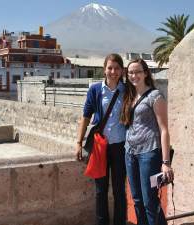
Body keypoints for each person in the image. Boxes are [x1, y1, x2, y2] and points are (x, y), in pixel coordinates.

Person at [75, 53, 127, 225]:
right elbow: (86, 117)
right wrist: (78, 143)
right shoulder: (95, 90)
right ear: (104, 69)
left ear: (122, 70)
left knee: (120, 190)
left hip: (120, 147)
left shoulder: (127, 90)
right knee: (100, 190)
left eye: (117, 68)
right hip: (100, 146)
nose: (113, 71)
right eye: (110, 68)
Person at [121, 58, 174, 225]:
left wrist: (165, 162)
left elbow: (164, 129)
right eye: (130, 72)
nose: (133, 75)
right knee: (136, 199)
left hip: (149, 154)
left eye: (137, 71)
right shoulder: (130, 96)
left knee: (150, 201)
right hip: (130, 153)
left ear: (145, 73)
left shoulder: (154, 96)